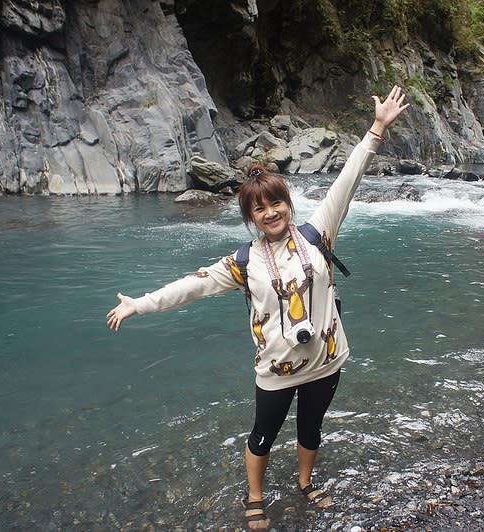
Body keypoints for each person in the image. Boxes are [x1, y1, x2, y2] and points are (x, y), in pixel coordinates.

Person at [107, 86, 409, 529]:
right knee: (262, 436)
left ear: (288, 203)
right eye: (259, 208)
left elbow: (347, 179)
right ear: (250, 217)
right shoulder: (242, 263)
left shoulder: (317, 233)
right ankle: (255, 496)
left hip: (325, 361)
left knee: (311, 430)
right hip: (276, 370)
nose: (271, 213)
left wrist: (377, 128)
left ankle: (306, 484)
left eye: (276, 202)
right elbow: (193, 287)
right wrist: (140, 304)